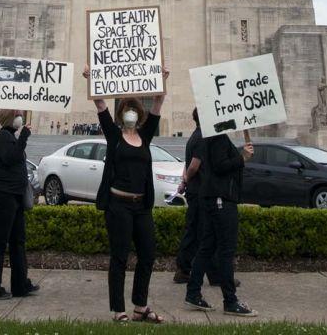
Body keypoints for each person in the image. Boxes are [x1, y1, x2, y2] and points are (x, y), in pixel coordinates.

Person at [83, 65, 168, 323]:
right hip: (118, 205)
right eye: (126, 110)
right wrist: (92, 80)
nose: (130, 113)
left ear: (138, 114)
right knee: (119, 257)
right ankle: (118, 310)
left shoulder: (145, 135)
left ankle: (140, 306)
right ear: (122, 114)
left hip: (141, 206)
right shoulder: (114, 136)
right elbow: (100, 106)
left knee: (148, 255)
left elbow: (158, 104)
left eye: (134, 109)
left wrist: (161, 80)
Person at [184, 130, 257, 316]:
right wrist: (242, 158)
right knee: (226, 249)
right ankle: (230, 301)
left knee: (207, 247)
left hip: (213, 197)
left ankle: (193, 293)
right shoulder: (217, 137)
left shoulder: (215, 137)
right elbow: (219, 166)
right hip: (221, 199)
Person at [0, 109, 39, 300]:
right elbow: (10, 157)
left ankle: (20, 285)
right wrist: (24, 137)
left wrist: (21, 138)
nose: (19, 118)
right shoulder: (2, 137)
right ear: (9, 118)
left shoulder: (11, 137)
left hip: (14, 196)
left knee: (18, 241)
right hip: (3, 196)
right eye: (17, 115)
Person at [174, 108, 220, 286]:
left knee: (194, 232)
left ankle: (184, 269)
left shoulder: (194, 136)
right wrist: (186, 179)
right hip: (200, 192)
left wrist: (185, 182)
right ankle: (214, 275)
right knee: (206, 234)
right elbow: (193, 166)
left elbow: (188, 165)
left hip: (194, 191)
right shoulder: (202, 137)